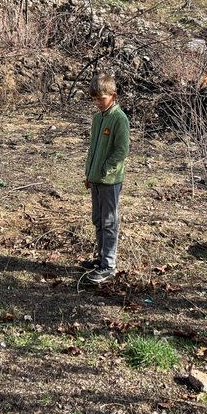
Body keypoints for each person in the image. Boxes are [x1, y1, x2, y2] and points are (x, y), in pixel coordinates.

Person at [82, 72, 130, 284]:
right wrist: (90, 173)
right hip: (96, 179)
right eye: (94, 99)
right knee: (98, 220)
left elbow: (121, 150)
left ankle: (108, 266)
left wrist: (105, 171)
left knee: (109, 222)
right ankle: (101, 259)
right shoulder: (97, 118)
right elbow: (93, 149)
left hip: (110, 181)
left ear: (114, 96)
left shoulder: (119, 119)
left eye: (101, 99)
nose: (98, 103)